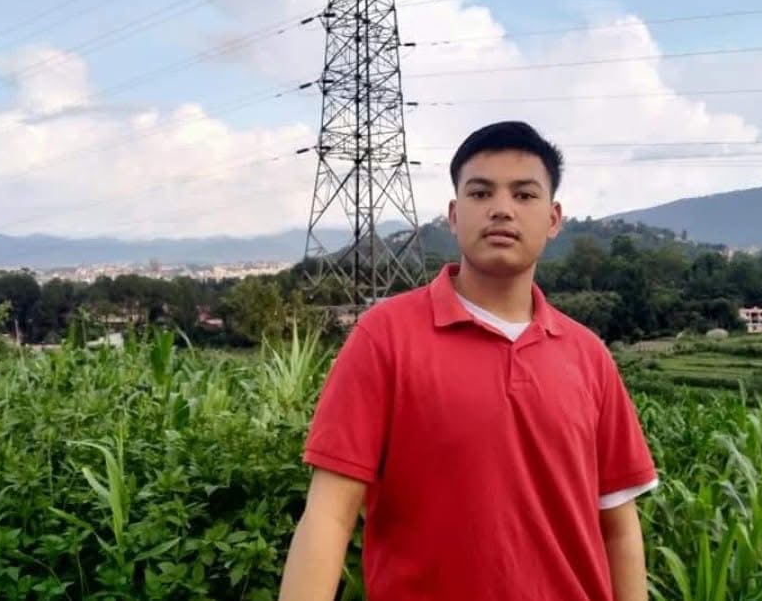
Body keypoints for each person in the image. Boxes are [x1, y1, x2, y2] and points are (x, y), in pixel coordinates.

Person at [278, 120, 658, 601]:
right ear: (454, 216)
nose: (501, 209)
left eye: (524, 194)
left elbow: (618, 528)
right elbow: (330, 515)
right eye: (481, 193)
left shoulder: (587, 355)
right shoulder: (386, 336)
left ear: (554, 218)